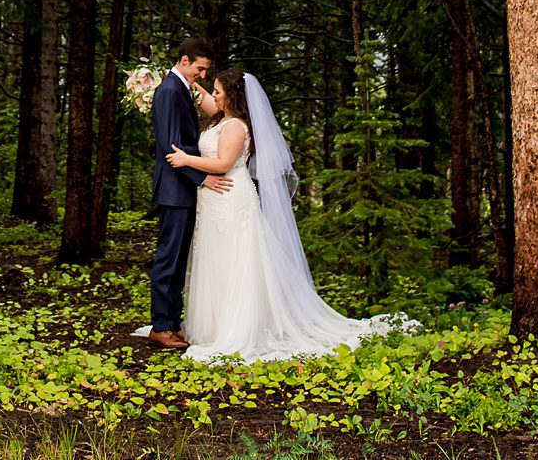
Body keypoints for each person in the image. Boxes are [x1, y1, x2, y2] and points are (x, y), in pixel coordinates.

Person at [161, 66, 399, 363]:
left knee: (233, 262)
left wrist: (186, 160)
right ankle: (214, 326)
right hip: (215, 201)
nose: (214, 95)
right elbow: (203, 96)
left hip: (231, 199)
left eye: (219, 91)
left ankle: (235, 328)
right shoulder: (225, 118)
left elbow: (223, 164)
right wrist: (169, 79)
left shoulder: (235, 126)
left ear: (232, 97)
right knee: (215, 260)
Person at [145, 36, 226, 349]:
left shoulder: (181, 88)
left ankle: (171, 322)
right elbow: (170, 146)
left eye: (205, 70)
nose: (202, 75)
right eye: (200, 69)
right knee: (168, 258)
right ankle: (161, 326)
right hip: (174, 189)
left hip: (183, 189)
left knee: (178, 260)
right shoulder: (168, 91)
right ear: (184, 61)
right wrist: (203, 177)